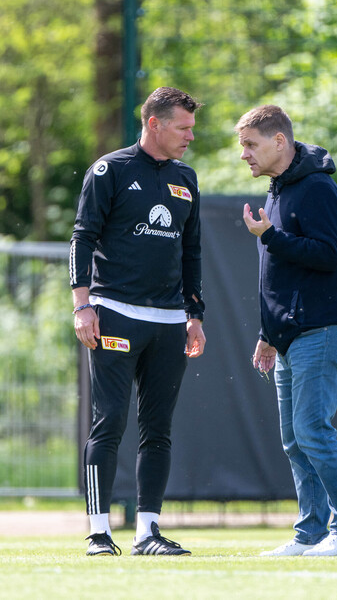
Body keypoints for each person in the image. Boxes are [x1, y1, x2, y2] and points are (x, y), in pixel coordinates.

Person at [70, 86, 207, 557]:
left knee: (159, 428)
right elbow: (82, 238)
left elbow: (191, 253)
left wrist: (194, 315)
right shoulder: (110, 170)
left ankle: (148, 532)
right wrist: (81, 306)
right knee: (108, 421)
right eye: (183, 127)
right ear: (155, 123)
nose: (191, 136)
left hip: (170, 321)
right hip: (114, 313)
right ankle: (98, 532)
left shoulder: (186, 177)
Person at [237, 105, 337, 557]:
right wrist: (267, 331)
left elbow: (329, 255)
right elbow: (281, 276)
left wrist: (269, 236)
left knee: (313, 428)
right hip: (290, 334)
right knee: (296, 438)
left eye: (250, 144)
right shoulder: (279, 190)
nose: (244, 155)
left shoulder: (316, 187)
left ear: (280, 141)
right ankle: (311, 534)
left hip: (324, 327)